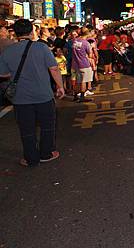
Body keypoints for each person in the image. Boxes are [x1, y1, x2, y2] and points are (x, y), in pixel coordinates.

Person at [0, 19, 64, 167]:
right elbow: (54, 68)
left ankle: (31, 158)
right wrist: (60, 86)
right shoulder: (41, 48)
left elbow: (3, 73)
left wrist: (15, 73)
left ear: (15, 34)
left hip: (21, 98)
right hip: (44, 96)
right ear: (32, 31)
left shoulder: (8, 51)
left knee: (26, 129)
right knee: (47, 126)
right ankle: (46, 154)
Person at [71, 30, 94, 102]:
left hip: (75, 64)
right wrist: (91, 47)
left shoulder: (75, 41)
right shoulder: (86, 43)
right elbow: (90, 54)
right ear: (87, 35)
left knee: (77, 81)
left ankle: (75, 96)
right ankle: (82, 97)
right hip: (84, 64)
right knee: (84, 81)